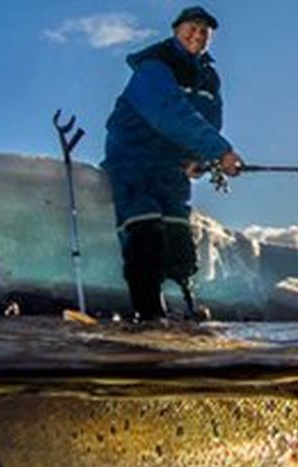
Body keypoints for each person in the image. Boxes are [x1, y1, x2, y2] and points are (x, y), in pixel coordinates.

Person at [102, 6, 242, 322]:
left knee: (179, 237)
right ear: (175, 30)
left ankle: (188, 310)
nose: (198, 34)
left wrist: (198, 158)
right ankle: (149, 316)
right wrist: (220, 152)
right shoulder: (155, 66)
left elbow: (209, 119)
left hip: (172, 168)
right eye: (191, 27)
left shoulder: (209, 77)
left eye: (205, 31)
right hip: (133, 161)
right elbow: (169, 111)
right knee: (145, 228)